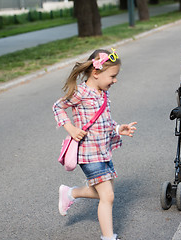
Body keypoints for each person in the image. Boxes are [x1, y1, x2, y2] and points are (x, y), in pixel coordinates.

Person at [53, 48, 137, 240]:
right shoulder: (81, 93)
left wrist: (117, 129)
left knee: (102, 193)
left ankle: (70, 193)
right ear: (96, 72)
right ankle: (109, 237)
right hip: (88, 153)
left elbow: (104, 121)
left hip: (103, 151)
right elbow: (58, 106)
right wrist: (71, 128)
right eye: (112, 76)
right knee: (108, 196)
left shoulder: (102, 94)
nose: (115, 80)